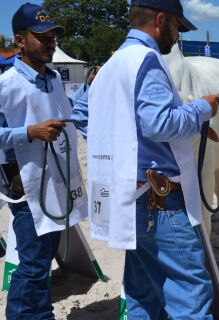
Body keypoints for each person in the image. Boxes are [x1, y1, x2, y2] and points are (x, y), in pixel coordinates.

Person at [87, 0, 219, 318]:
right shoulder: (147, 59)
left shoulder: (113, 63)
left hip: (128, 195)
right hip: (159, 199)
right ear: (161, 20)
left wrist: (124, 149)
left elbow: (84, 116)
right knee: (190, 288)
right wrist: (202, 108)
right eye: (177, 27)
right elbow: (159, 124)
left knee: (142, 290)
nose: (177, 36)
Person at [0, 3, 94, 319]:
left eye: (53, 35)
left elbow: (70, 116)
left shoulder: (54, 79)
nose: (51, 42)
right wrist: (29, 132)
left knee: (41, 261)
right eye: (42, 36)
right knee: (33, 264)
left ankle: (41, 314)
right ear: (20, 40)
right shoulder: (6, 84)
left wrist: (94, 92)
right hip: (26, 186)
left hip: (55, 184)